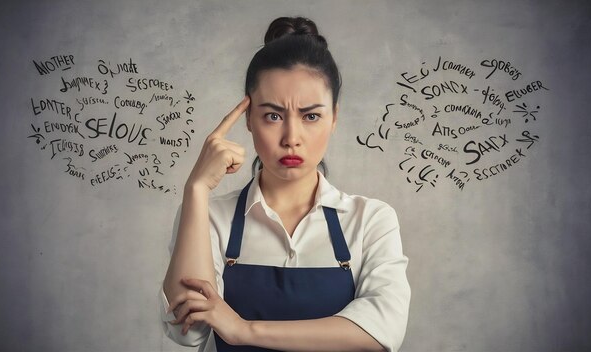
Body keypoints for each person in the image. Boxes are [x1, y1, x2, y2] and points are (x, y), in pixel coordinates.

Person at [160, 17, 410, 352]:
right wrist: (196, 189)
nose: (292, 138)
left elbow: (382, 333)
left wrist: (242, 330)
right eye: (273, 116)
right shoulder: (207, 216)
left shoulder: (371, 220)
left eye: (311, 116)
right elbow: (187, 333)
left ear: (334, 118)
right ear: (248, 119)